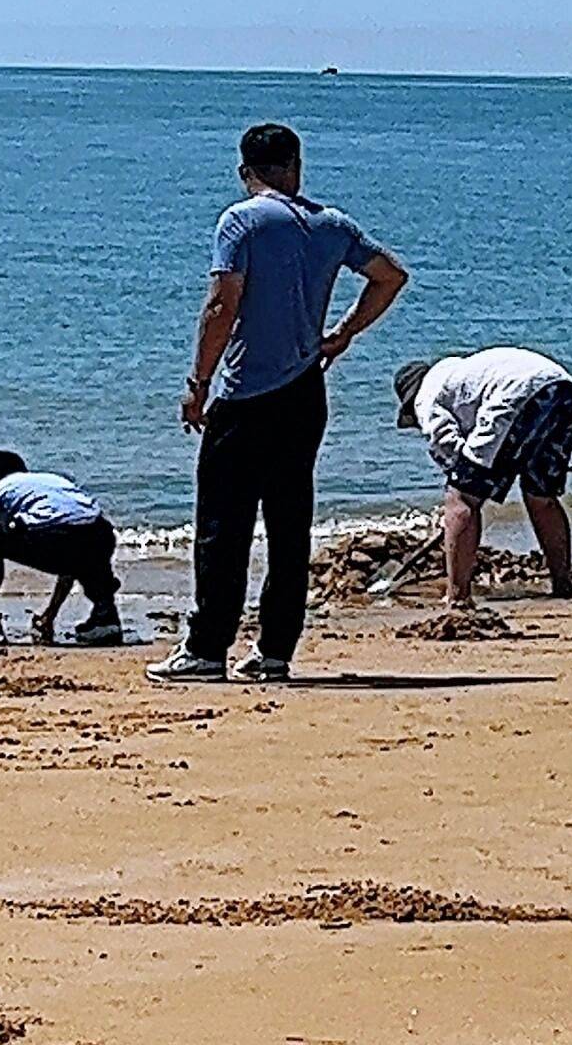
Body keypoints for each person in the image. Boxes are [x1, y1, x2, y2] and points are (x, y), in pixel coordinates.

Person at [150, 123, 408, 686]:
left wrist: (197, 382)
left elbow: (222, 304)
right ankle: (274, 651)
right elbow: (390, 277)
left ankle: (207, 648)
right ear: (295, 166)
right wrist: (342, 333)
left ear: (246, 172)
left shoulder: (240, 220)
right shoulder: (331, 224)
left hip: (247, 394)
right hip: (304, 391)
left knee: (223, 524)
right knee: (290, 525)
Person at [393, 346, 572, 607]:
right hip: (561, 388)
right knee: (541, 495)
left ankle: (458, 597)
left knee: (460, 498)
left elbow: (447, 447)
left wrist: (459, 509)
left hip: (517, 394)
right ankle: (562, 584)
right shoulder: (458, 375)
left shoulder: (426, 396)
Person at [0, 452, 125, 644]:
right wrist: (50, 614)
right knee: (86, 547)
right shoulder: (51, 481)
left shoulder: (3, 487)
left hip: (53, 540)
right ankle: (106, 618)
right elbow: (68, 564)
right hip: (101, 535)